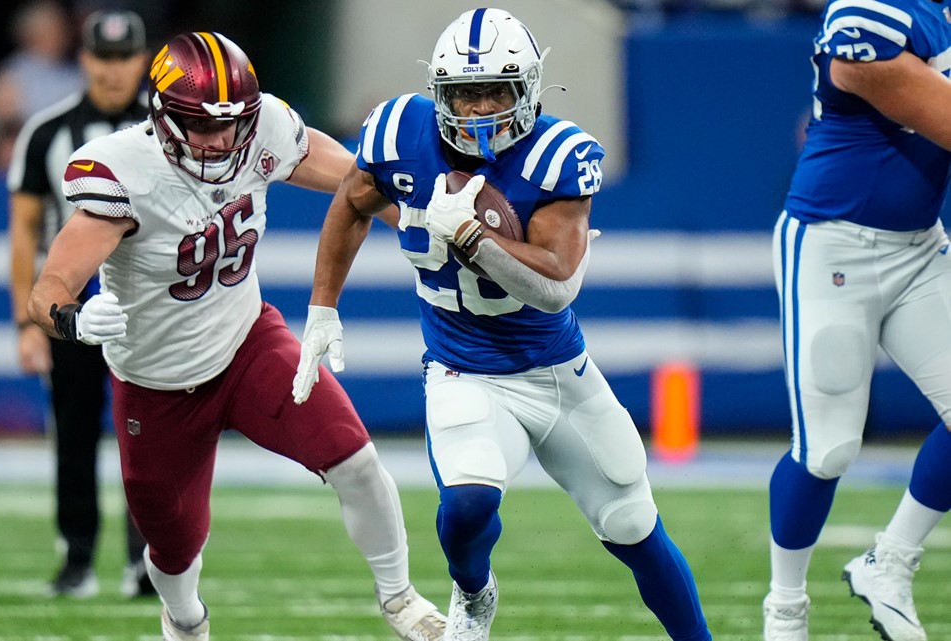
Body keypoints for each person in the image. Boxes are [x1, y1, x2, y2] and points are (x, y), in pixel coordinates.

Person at [292, 8, 713, 641]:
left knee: (631, 523)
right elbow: (351, 203)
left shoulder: (557, 155)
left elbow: (555, 286)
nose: (479, 107)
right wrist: (323, 306)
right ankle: (473, 591)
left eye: (495, 90)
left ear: (528, 90)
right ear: (439, 91)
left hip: (558, 374)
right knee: (466, 504)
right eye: (464, 92)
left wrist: (475, 241)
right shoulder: (398, 131)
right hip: (464, 372)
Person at [26, 30, 446, 641]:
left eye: (233, 123)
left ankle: (401, 600)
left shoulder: (264, 130)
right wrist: (71, 319)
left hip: (246, 345)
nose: (220, 139)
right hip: (155, 384)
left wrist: (419, 220)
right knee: (172, 549)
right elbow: (51, 286)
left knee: (354, 457)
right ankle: (186, 622)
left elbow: (364, 181)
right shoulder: (123, 171)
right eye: (200, 125)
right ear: (165, 116)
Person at [763, 0, 951, 639]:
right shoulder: (867, 19)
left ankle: (889, 563)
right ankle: (785, 611)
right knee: (828, 449)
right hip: (833, 246)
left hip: (920, 247)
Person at [8, 10, 153, 599]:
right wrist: (27, 320)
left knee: (148, 436)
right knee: (72, 433)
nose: (114, 69)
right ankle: (77, 558)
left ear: (142, 59)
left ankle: (149, 562)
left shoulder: (169, 126)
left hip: (147, 309)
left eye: (124, 57)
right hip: (69, 309)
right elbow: (23, 231)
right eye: (103, 56)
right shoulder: (47, 131)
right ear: (84, 59)